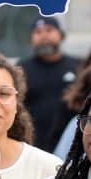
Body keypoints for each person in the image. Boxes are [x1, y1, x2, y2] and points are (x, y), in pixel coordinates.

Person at [21, 17, 83, 145]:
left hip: (72, 143)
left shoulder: (79, 66)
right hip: (33, 143)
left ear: (61, 35)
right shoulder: (21, 70)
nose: (43, 35)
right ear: (31, 40)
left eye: (49, 30)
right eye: (38, 32)